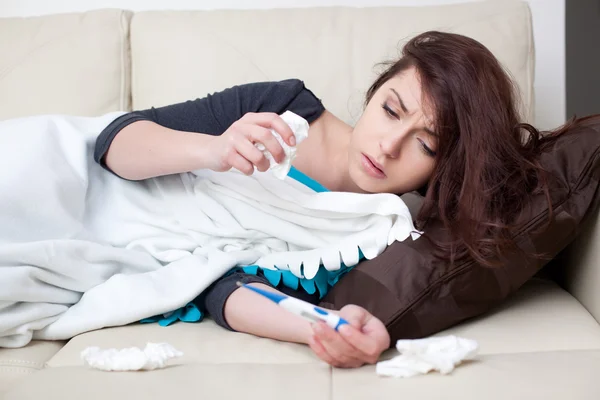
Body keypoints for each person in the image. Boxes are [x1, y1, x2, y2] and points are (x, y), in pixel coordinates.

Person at [94, 31, 571, 368]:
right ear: (374, 92)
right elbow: (114, 143)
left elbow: (222, 289)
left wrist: (321, 328)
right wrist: (213, 148)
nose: (388, 146)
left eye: (425, 145)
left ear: (443, 170)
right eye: (390, 110)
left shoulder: (376, 234)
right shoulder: (283, 108)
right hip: (78, 177)